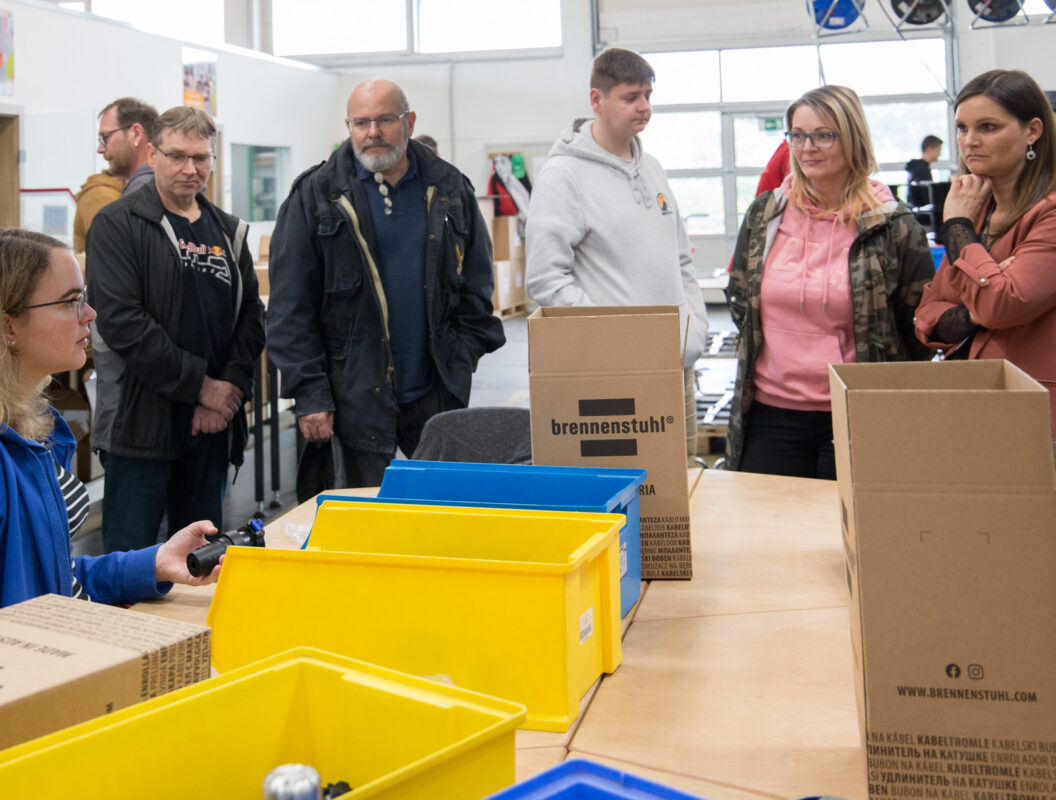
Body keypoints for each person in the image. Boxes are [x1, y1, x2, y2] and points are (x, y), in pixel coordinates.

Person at [0, 229, 221, 655]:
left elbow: (44, 578)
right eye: (71, 302)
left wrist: (151, 565)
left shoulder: (19, 426)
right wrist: (33, 648)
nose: (91, 315)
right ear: (5, 324)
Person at [268, 78, 505, 488]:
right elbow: (290, 308)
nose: (372, 133)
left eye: (384, 120)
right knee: (361, 529)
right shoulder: (316, 195)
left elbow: (477, 291)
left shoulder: (449, 188)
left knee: (442, 516)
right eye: (360, 123)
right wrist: (310, 394)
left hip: (435, 395)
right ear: (349, 126)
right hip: (352, 399)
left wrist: (458, 362)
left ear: (409, 121)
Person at [726, 85, 935, 479]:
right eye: (798, 135)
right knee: (770, 534)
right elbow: (741, 299)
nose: (807, 147)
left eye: (824, 135)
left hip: (856, 412)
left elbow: (916, 323)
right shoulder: (765, 214)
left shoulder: (891, 223)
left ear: (853, 139)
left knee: (849, 538)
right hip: (772, 412)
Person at [87, 106, 264, 553]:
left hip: (210, 430)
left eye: (201, 158)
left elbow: (250, 320)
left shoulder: (229, 232)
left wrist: (227, 393)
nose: (190, 169)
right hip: (140, 430)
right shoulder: (117, 225)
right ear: (151, 154)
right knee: (131, 566)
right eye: (177, 156)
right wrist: (200, 387)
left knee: (200, 561)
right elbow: (124, 323)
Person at [525, 47, 709, 459]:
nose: (643, 107)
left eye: (648, 95)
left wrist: (693, 331)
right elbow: (545, 279)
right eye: (630, 97)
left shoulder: (653, 167)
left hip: (675, 366)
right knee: (633, 497)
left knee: (686, 490)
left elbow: (681, 261)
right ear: (597, 100)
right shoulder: (563, 176)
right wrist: (615, 344)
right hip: (615, 375)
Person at [914, 69, 1056, 433]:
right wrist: (979, 312)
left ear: (1033, 131)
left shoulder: (1049, 213)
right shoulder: (980, 212)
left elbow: (1002, 304)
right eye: (962, 128)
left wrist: (957, 226)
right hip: (975, 409)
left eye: (988, 127)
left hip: (1039, 421)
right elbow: (927, 316)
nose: (969, 141)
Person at [73, 97, 158, 252]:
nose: (100, 148)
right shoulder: (103, 193)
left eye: (105, 137)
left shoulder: (146, 190)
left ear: (136, 134)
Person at [905, 134, 944, 208]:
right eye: (938, 150)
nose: (939, 154)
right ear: (929, 149)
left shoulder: (915, 167)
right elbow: (926, 198)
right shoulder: (922, 170)